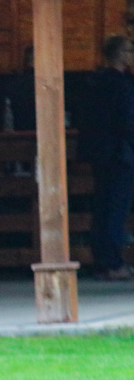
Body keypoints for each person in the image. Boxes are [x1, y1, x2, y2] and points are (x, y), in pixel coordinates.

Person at [79, 35, 134, 280]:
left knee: (102, 206)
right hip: (120, 154)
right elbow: (128, 122)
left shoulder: (93, 83)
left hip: (100, 155)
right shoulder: (122, 85)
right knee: (116, 209)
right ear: (121, 55)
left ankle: (102, 259)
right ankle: (113, 262)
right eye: (129, 50)